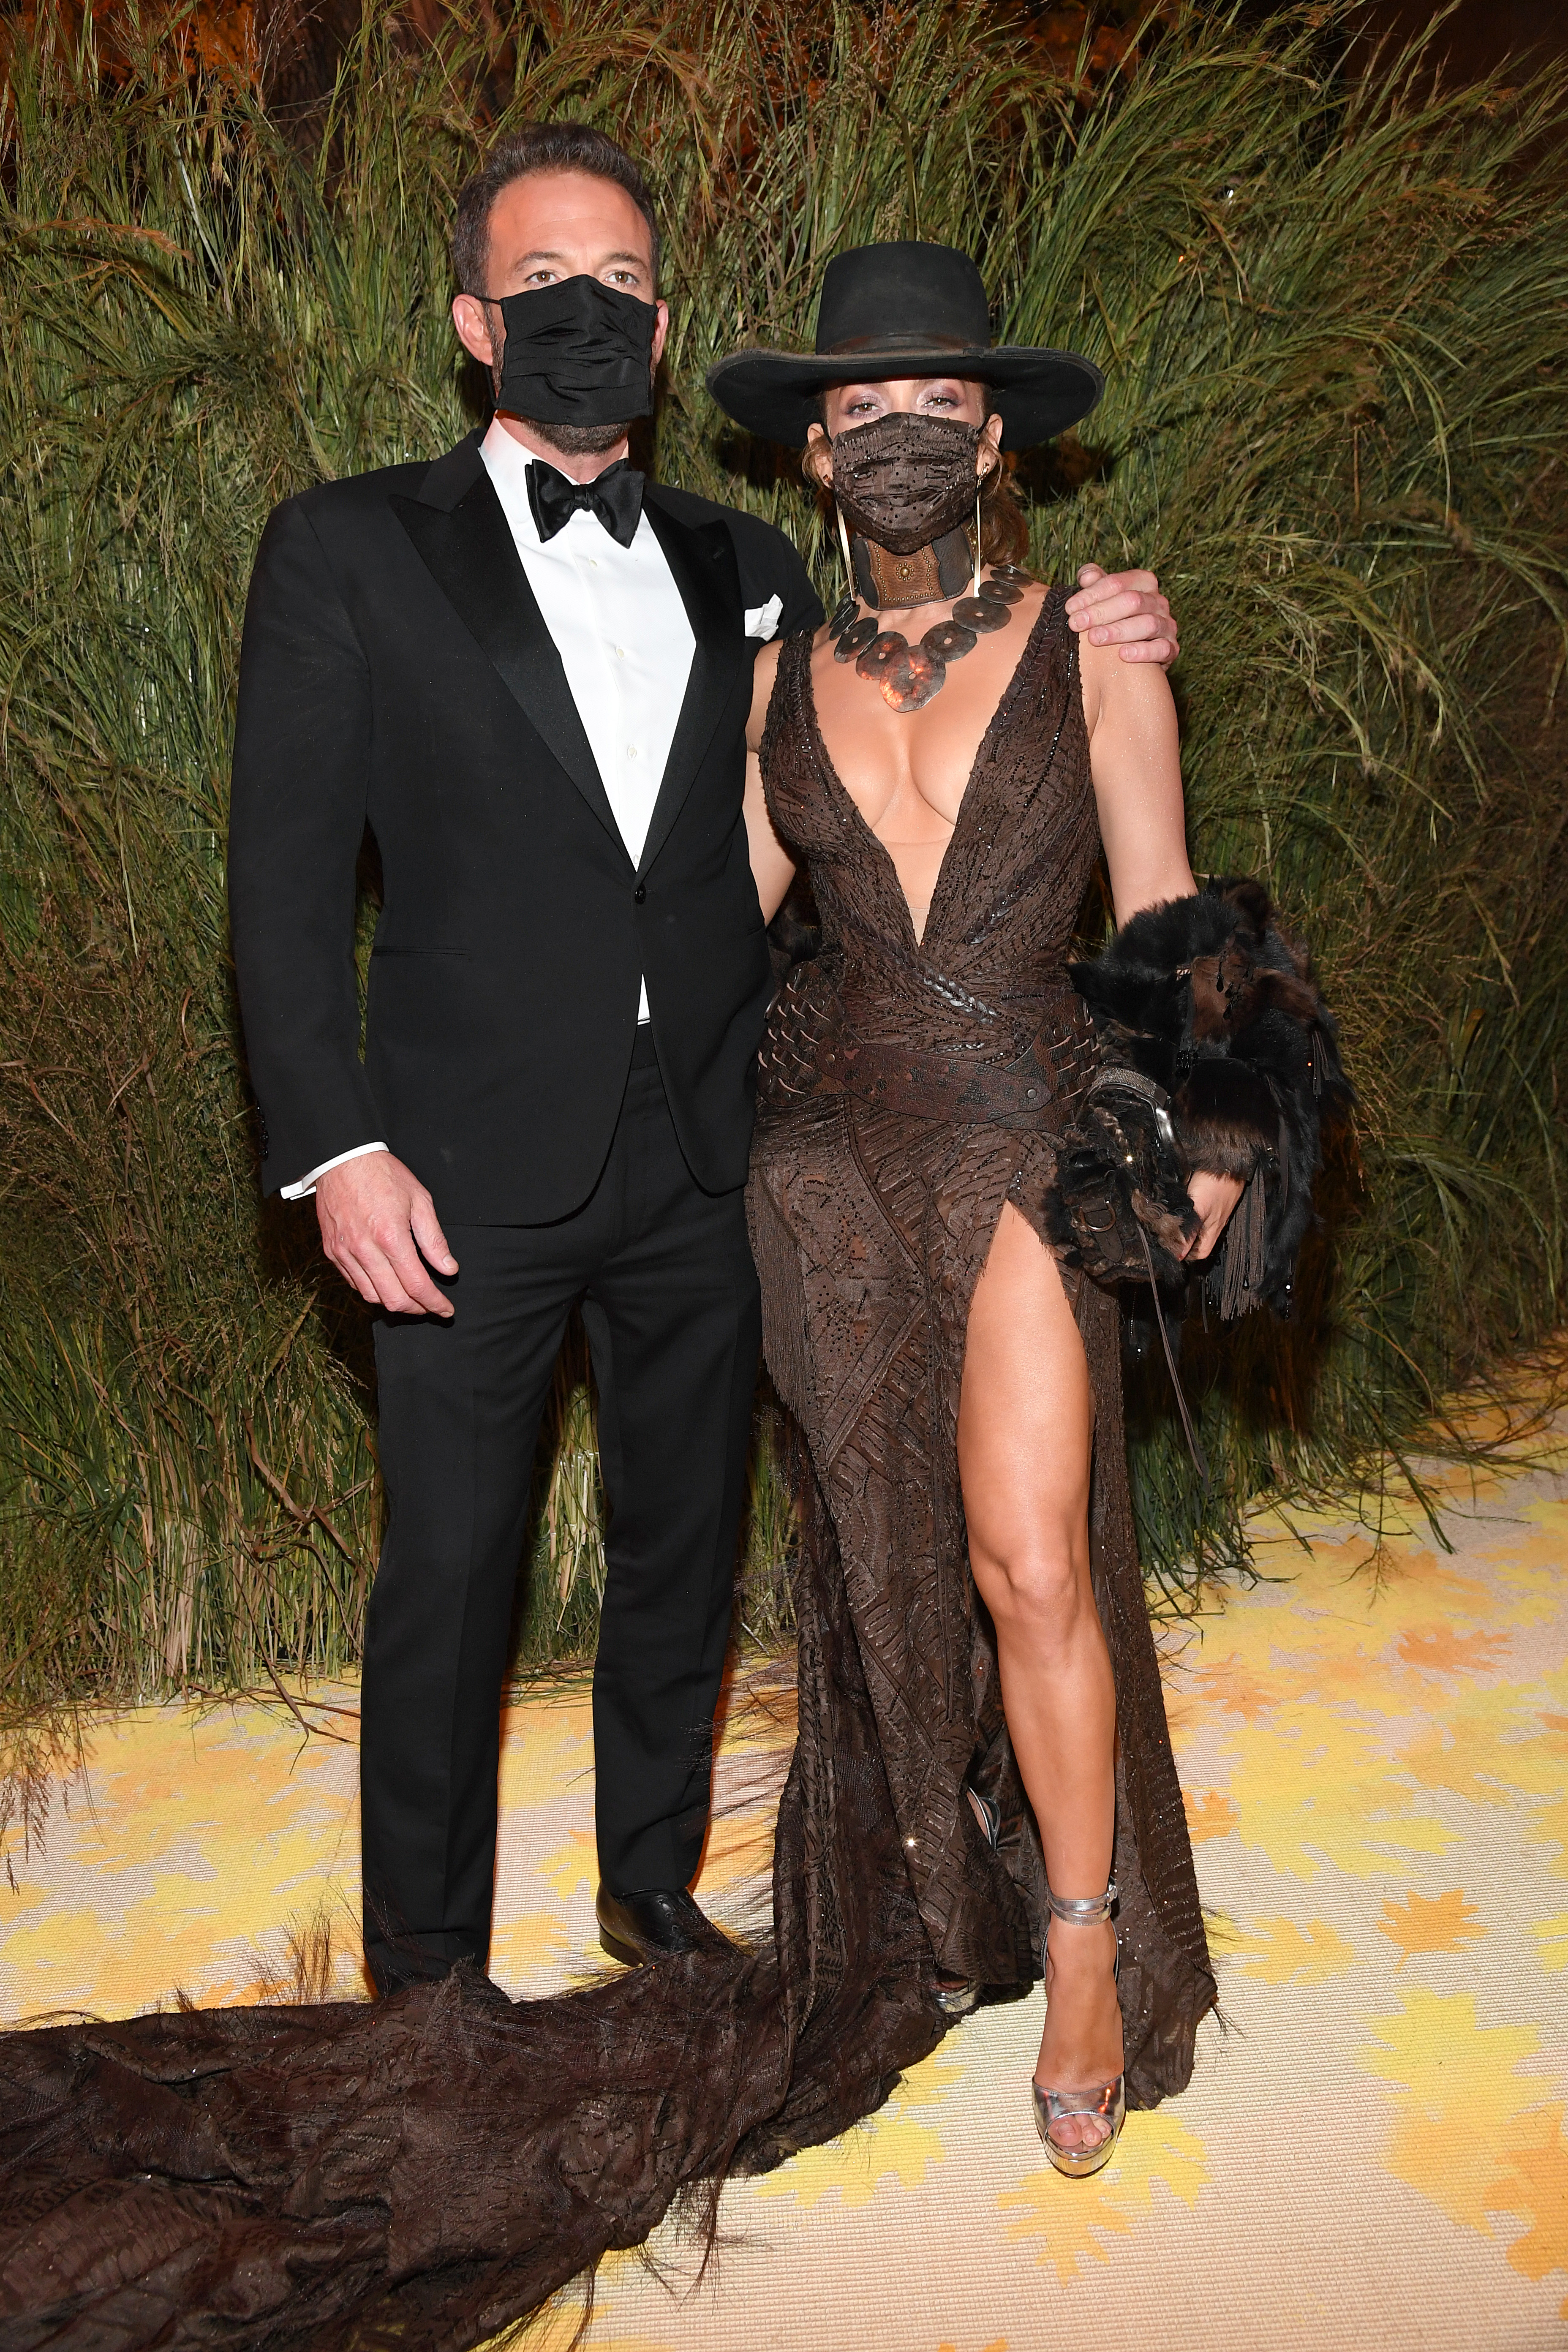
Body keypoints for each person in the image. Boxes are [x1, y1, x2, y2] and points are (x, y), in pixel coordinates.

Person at [226, 127, 1183, 1999]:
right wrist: (336, 1150)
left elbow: (871, 765)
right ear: (471, 323)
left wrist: (1121, 620)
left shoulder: (749, 568)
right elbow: (274, 893)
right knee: (450, 1581)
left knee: (684, 1552)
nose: (587, 318)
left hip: (716, 1161)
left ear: (665, 335)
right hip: (455, 1174)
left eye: (621, 291)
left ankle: (650, 1891)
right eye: (545, 290)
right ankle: (426, 1976)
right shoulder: (343, 546)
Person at [706, 239, 1244, 2172]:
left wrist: (1209, 1130)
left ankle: (1088, 1947)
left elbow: (1168, 907)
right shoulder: (768, 686)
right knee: (880, 1568)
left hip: (1025, 1133)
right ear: (814, 456)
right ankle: (941, 1887)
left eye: (937, 399)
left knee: (1030, 1555)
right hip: (829, 1172)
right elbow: (695, 950)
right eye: (862, 406)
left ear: (995, 431)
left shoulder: (1103, 648)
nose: (902, 429)